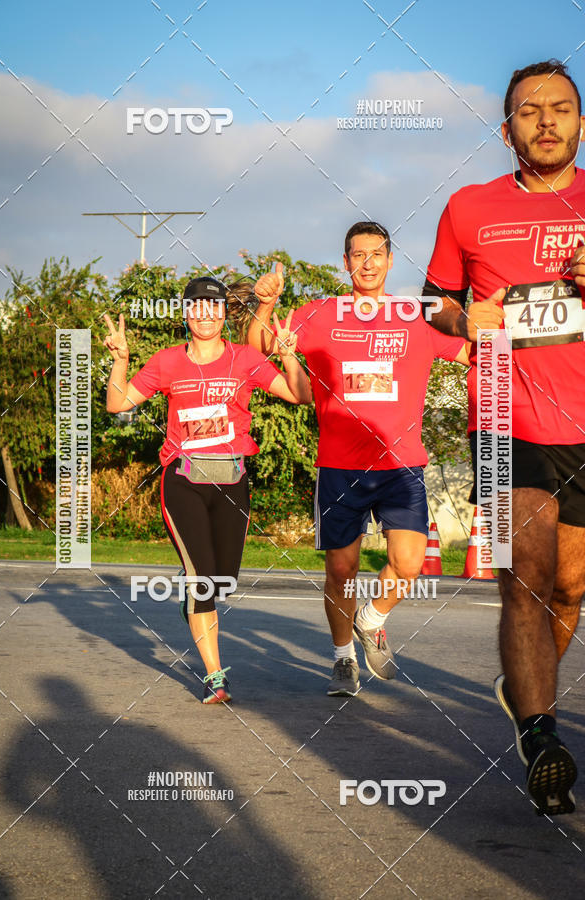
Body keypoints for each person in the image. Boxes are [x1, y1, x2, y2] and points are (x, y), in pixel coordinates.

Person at [423, 60, 585, 816]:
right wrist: (464, 319)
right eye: (529, 111)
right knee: (524, 572)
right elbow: (432, 306)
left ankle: (522, 687)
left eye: (560, 108)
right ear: (508, 128)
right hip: (506, 416)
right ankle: (542, 736)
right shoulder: (468, 207)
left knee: (570, 584)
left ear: (580, 122)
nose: (546, 120)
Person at [248, 223, 467, 696]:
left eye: (376, 254)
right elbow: (259, 345)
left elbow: (473, 349)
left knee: (408, 564)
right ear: (345, 262)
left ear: (390, 261)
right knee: (341, 570)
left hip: (401, 464)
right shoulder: (322, 314)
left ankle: (372, 618)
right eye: (357, 254)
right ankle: (343, 658)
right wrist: (265, 304)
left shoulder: (418, 317)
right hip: (340, 467)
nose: (367, 262)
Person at [104, 276, 311, 704]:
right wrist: (121, 360)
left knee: (222, 581)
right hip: (183, 480)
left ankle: (195, 589)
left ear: (223, 313)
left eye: (212, 307)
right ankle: (215, 675)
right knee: (202, 581)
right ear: (185, 314)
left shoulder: (247, 358)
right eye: (195, 307)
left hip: (232, 479)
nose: (204, 315)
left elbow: (298, 394)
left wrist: (290, 357)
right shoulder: (166, 362)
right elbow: (118, 403)